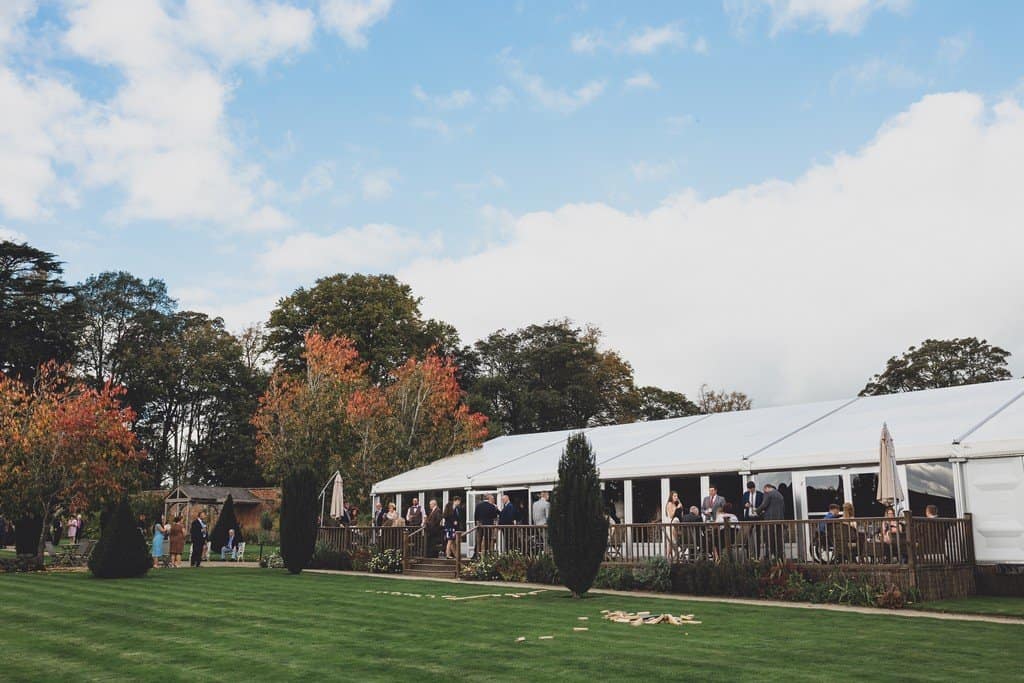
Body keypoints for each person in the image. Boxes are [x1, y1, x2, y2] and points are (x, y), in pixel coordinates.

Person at [755, 483, 786, 558]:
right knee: (779, 539)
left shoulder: (768, 494)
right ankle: (779, 556)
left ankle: (768, 556)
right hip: (780, 520)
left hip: (770, 520)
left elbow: (764, 504)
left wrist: (757, 511)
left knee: (769, 538)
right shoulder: (780, 495)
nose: (764, 492)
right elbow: (783, 508)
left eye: (764, 490)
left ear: (766, 488)